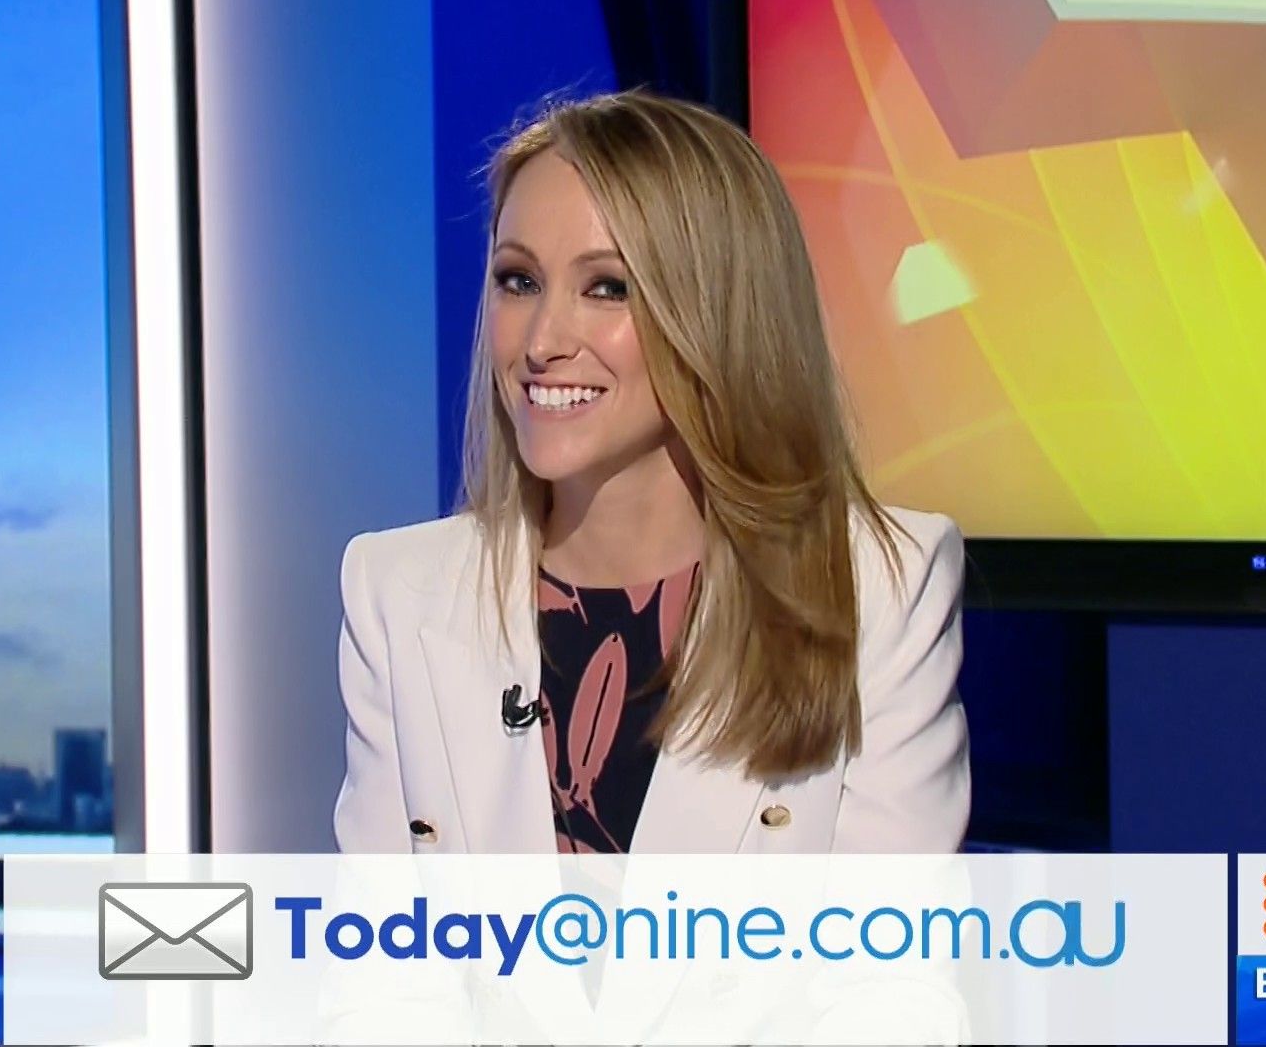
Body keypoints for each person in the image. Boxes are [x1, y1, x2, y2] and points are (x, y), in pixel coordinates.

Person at [333, 89, 970, 856]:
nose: (542, 341)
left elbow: (889, 931)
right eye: (518, 280)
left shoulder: (880, 589)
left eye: (608, 288)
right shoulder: (397, 592)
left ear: (718, 312)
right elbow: (382, 927)